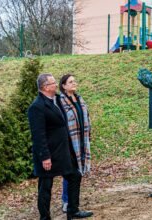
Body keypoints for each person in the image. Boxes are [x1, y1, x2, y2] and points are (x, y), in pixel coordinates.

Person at [28, 73, 93, 220]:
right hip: (48, 154)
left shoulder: (57, 100)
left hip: (62, 152)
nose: (56, 84)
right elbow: (38, 135)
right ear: (45, 87)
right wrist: (45, 157)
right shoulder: (37, 107)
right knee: (45, 187)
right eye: (52, 83)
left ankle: (73, 211)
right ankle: (45, 217)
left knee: (75, 175)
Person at [59, 74, 91, 214]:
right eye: (70, 82)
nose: (74, 83)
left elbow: (86, 118)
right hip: (69, 142)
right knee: (70, 172)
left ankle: (72, 202)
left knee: (77, 171)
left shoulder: (79, 99)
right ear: (64, 86)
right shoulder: (60, 101)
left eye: (74, 81)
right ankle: (67, 201)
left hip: (81, 141)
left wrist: (88, 136)